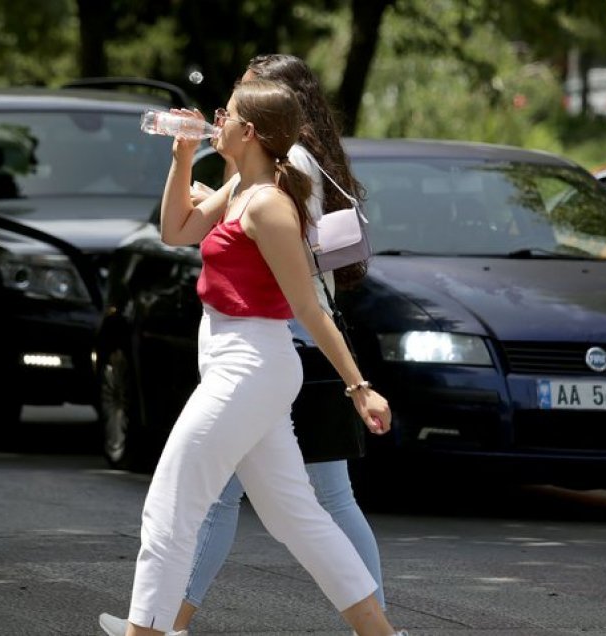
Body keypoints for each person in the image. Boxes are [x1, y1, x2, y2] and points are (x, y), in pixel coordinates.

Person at [100, 55, 405, 636]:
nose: (216, 117)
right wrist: (184, 155)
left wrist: (359, 388)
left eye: (227, 113)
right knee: (298, 517)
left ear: (251, 133)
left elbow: (309, 307)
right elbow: (177, 231)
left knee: (172, 503)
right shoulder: (242, 186)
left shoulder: (269, 205)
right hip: (235, 361)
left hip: (250, 365)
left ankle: (148, 632)